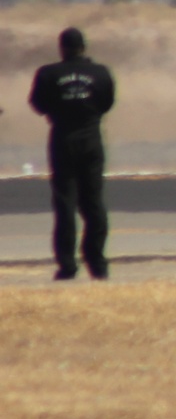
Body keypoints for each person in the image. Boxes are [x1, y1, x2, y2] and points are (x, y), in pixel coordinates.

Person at [28, 27, 117, 280]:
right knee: (94, 202)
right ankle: (97, 263)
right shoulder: (101, 73)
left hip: (62, 138)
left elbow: (37, 104)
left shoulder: (48, 74)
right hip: (91, 138)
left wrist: (60, 110)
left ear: (62, 48)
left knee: (65, 203)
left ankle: (67, 265)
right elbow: (107, 102)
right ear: (84, 47)